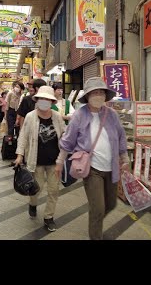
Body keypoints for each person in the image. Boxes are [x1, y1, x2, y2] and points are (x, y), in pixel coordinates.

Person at [55, 77, 131, 240]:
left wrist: (125, 159)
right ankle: (95, 234)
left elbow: (121, 137)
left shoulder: (111, 114)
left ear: (105, 95)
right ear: (88, 96)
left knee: (111, 204)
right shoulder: (79, 115)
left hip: (111, 167)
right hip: (92, 169)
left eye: (101, 92)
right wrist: (60, 161)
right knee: (97, 208)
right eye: (94, 93)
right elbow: (68, 141)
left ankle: (94, 224)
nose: (98, 95)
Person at [14, 86, 66, 232]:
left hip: (54, 161)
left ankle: (49, 217)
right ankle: (32, 203)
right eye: (41, 98)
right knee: (37, 189)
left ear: (51, 101)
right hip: (35, 160)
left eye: (47, 99)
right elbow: (23, 136)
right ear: (37, 100)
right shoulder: (30, 116)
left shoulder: (56, 116)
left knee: (54, 190)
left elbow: (65, 134)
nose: (44, 101)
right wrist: (19, 155)